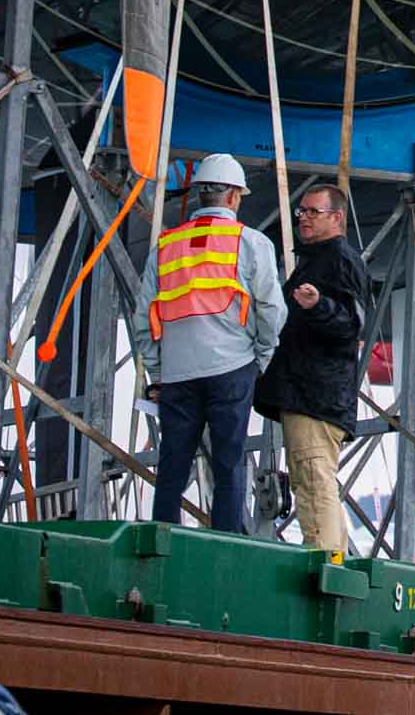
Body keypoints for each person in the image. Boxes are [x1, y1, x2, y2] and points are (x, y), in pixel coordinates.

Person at [135, 153, 284, 534]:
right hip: (233, 368)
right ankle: (225, 548)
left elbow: (144, 321)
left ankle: (159, 546)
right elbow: (270, 308)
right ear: (234, 196)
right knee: (228, 464)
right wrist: (262, 357)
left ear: (201, 195)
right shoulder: (250, 243)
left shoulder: (165, 247)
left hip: (178, 374)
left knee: (172, 466)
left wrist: (158, 372)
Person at [254, 181, 369, 550]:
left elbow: (352, 326)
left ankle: (324, 565)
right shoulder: (319, 260)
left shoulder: (338, 260)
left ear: (336, 218)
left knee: (313, 480)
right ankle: (330, 562)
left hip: (315, 396)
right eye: (301, 211)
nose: (303, 218)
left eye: (312, 212)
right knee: (315, 481)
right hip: (313, 394)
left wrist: (319, 305)